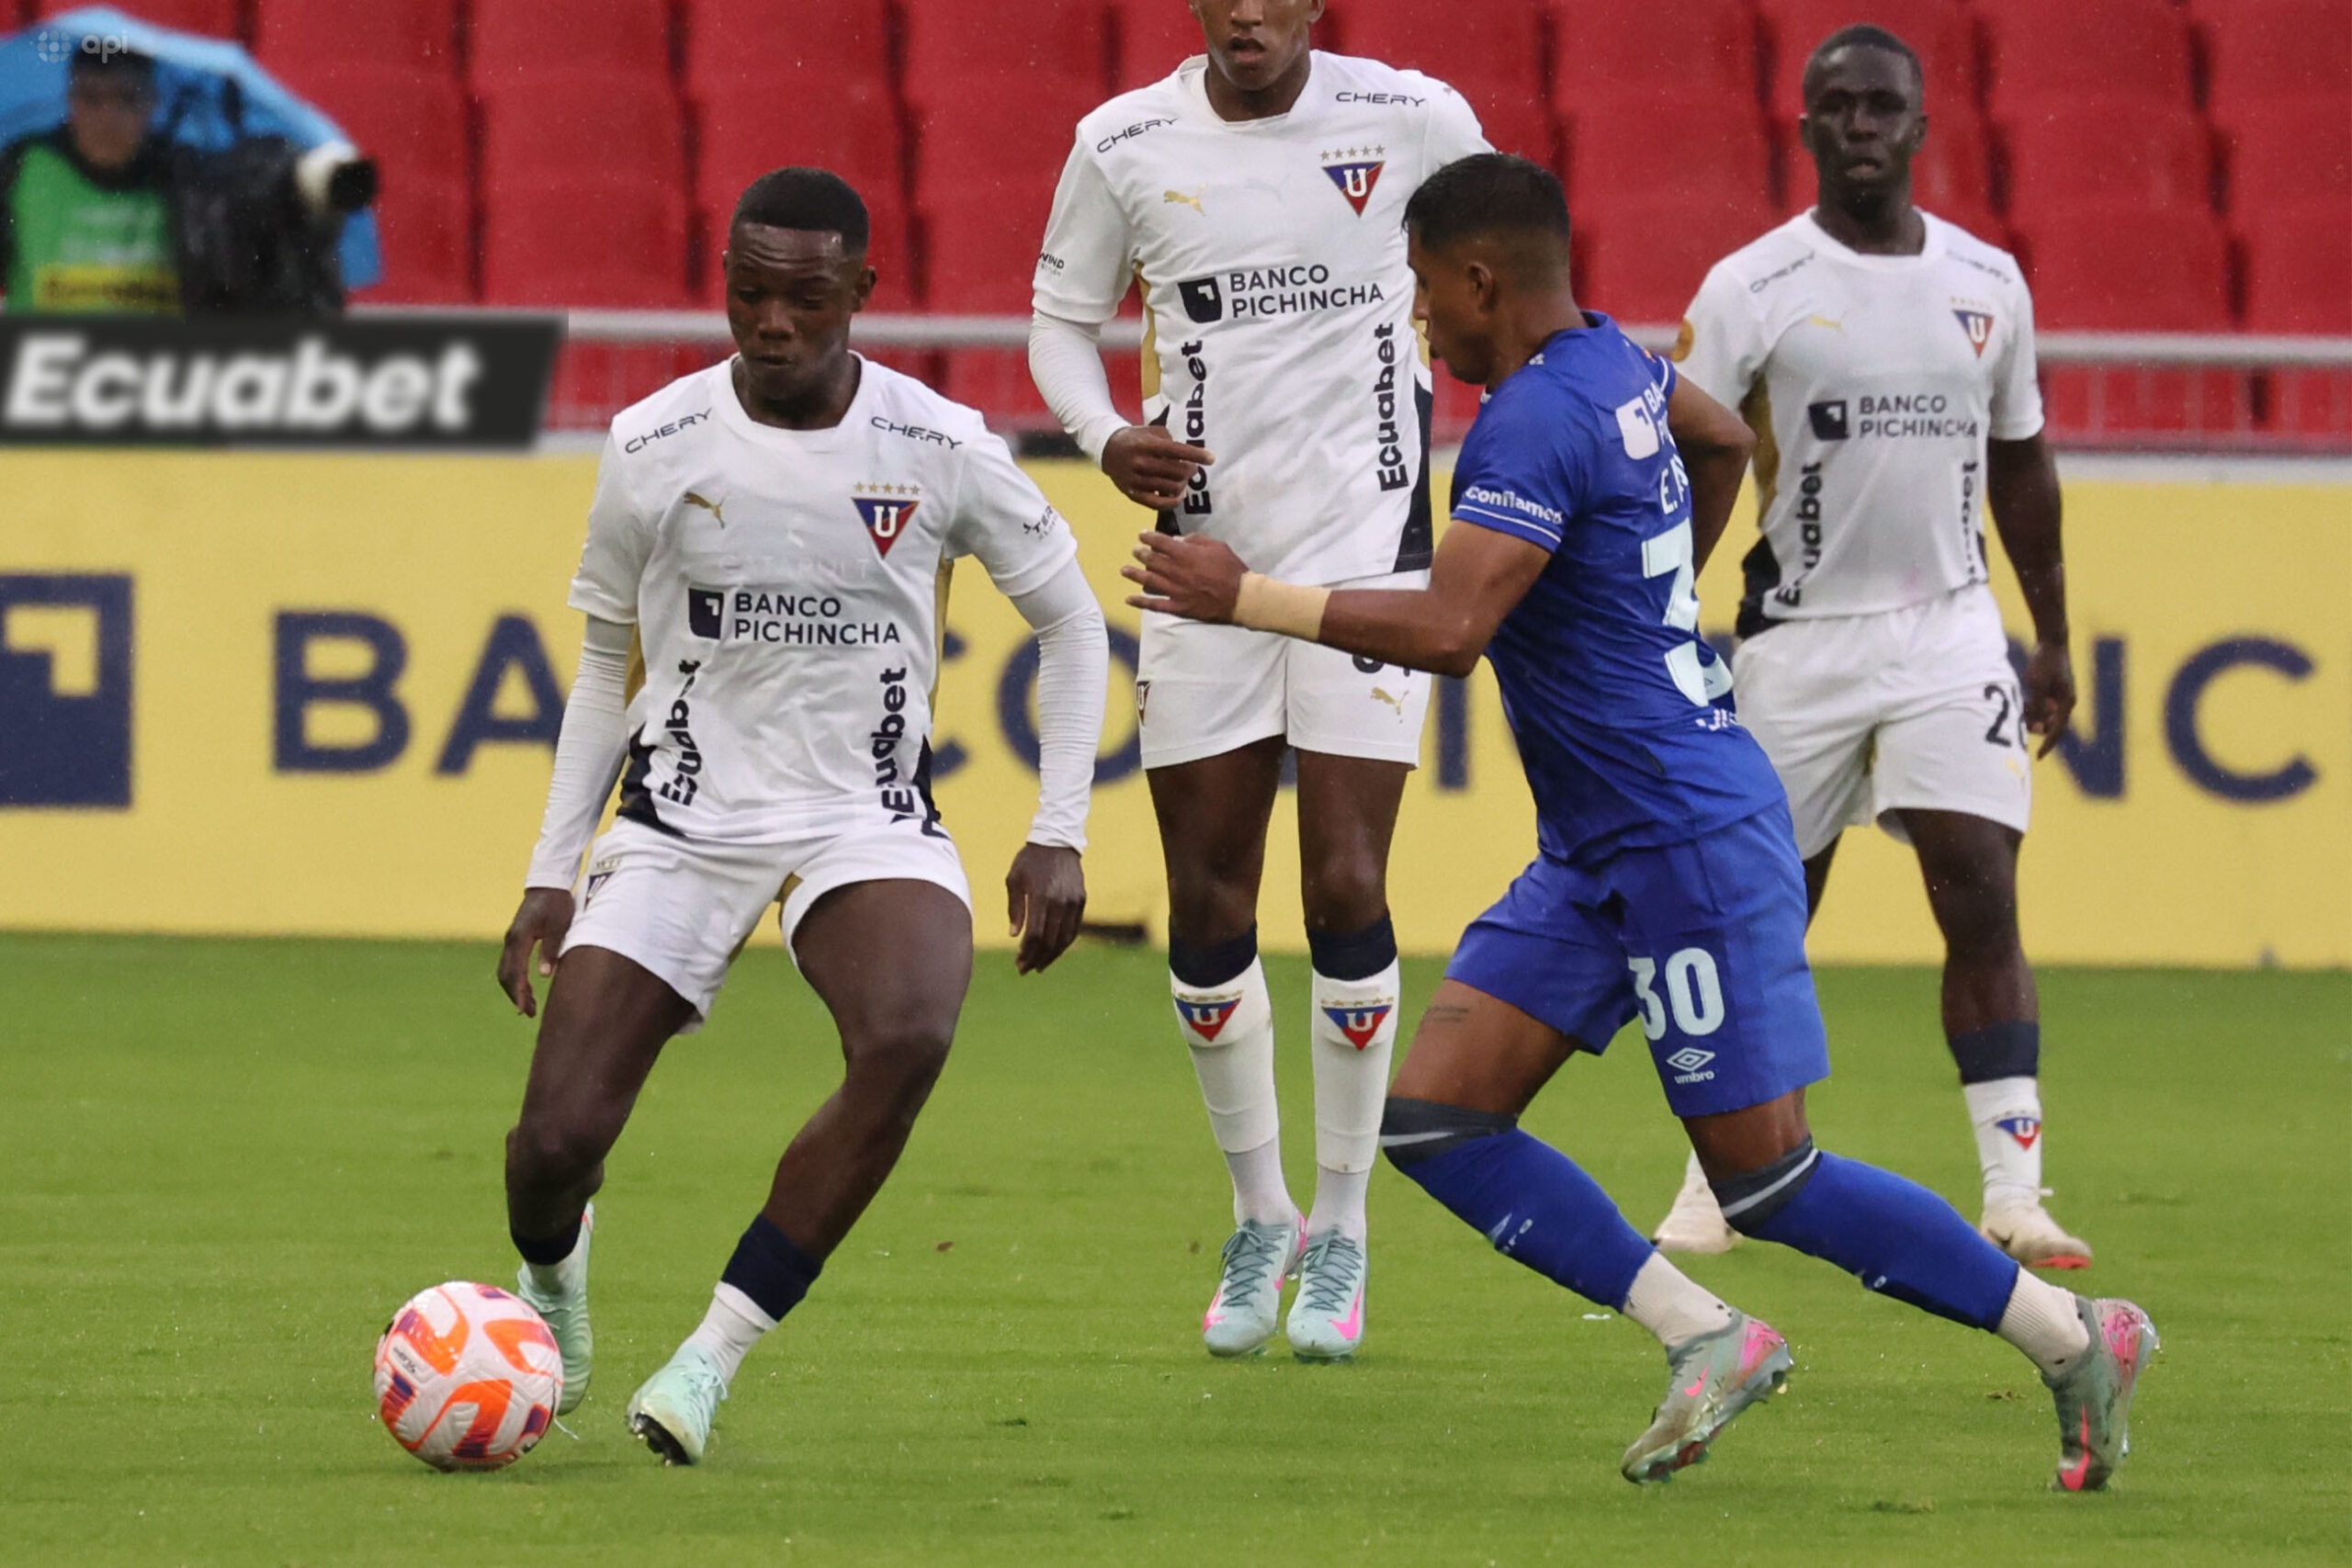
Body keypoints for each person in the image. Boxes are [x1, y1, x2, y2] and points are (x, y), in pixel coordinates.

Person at [1125, 152, 2155, 1491]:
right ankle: (1702, 1331)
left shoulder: (1528, 423)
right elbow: (1721, 436)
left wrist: (1244, 593)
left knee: (1768, 1182)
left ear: (1483, 280)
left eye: (1430, 297)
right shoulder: (1616, 359)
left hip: (1683, 834)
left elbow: (1447, 629)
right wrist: (1644, 586)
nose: (1424, 325)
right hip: (1603, 840)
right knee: (1437, 1114)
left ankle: (2076, 1332)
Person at [494, 168, 1108, 1466]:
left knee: (909, 1031)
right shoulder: (655, 443)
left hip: (862, 813)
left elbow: (1073, 618)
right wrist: (553, 870)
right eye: (750, 291)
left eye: (805, 296)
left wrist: (1062, 826)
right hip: (681, 818)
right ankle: (556, 1290)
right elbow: (609, 662)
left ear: (863, 295)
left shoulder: (936, 443)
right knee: (550, 1147)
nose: (772, 321)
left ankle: (710, 1356)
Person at [1027, 0, 1487, 1362]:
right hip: (1199, 565)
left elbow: (1507, 271)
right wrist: (1108, 434)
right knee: (1207, 897)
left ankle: (1343, 1219)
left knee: (1347, 881)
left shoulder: (1412, 118)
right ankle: (1262, 1208)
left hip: (1372, 556)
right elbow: (1060, 324)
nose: (1247, 11)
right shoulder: (1121, 140)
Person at [1647, 26, 2089, 1269]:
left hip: (1950, 625)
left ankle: (2014, 1187)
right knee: (1762, 916)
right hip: (1798, 639)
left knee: (1982, 889)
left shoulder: (1989, 282)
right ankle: (1711, 1177)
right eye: (1834, 105)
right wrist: (1662, 608)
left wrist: (2048, 633)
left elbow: (2023, 464)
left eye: (1879, 105)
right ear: (1801, 128)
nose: (1858, 125)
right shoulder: (1751, 287)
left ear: (1920, 127)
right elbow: (1703, 460)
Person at [0, 42, 373, 313]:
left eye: (127, 98)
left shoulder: (194, 182)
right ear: (69, 102)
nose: (107, 114)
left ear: (152, 105)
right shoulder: (22, 170)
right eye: (91, 98)